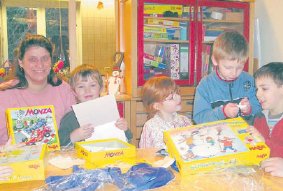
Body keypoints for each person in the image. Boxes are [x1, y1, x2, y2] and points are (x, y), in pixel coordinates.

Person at [0, 34, 76, 145]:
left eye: (45, 58)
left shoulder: (64, 90)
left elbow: (74, 128)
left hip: (59, 159)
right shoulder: (4, 95)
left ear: (51, 61)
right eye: (32, 59)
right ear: (21, 62)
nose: (39, 64)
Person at [193, 30, 261, 124]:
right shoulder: (205, 85)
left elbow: (259, 108)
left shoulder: (249, 81)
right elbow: (199, 118)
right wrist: (223, 112)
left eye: (239, 67)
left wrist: (250, 109)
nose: (234, 73)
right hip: (217, 134)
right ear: (215, 60)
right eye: (228, 67)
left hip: (245, 135)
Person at [59, 64, 132, 146]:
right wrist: (74, 136)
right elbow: (59, 146)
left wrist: (124, 129)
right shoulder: (69, 119)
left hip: (107, 156)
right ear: (74, 92)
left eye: (93, 85)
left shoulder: (110, 113)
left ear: (101, 88)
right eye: (81, 87)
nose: (87, 90)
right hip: (79, 158)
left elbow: (128, 140)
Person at [139, 76, 192, 149]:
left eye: (177, 93)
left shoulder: (185, 121)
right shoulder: (150, 126)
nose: (178, 98)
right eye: (171, 98)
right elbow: (144, 153)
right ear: (157, 106)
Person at [252, 62, 283, 177]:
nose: (258, 94)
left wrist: (264, 142)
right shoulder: (259, 119)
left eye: (264, 89)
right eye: (257, 89)